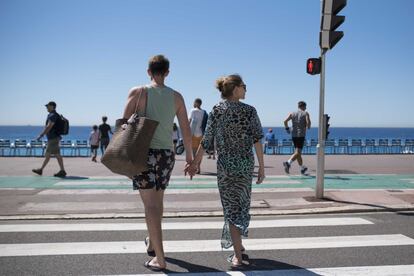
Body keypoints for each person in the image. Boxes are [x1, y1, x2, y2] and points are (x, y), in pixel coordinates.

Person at [123, 55, 193, 271]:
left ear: (148, 71)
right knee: (158, 201)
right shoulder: (177, 97)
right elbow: (185, 130)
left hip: (144, 152)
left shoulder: (138, 92)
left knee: (150, 205)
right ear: (167, 72)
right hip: (166, 154)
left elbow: (123, 124)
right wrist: (190, 157)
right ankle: (152, 242)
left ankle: (160, 258)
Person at [188, 74, 265, 269]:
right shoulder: (249, 111)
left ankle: (237, 253)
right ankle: (238, 252)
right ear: (236, 88)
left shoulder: (218, 110)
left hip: (225, 166)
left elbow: (207, 140)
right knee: (242, 205)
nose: (246, 89)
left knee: (231, 208)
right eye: (244, 86)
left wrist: (195, 163)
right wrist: (262, 167)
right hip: (245, 165)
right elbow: (257, 139)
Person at [32, 101, 67, 178]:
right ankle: (42, 170)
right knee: (51, 155)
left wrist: (41, 135)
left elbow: (49, 126)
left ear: (52, 106)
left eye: (48, 106)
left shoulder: (53, 115)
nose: (46, 107)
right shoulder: (53, 115)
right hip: (54, 138)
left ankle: (61, 171)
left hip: (53, 138)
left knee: (54, 154)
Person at [283, 101, 311, 175]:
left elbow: (285, 121)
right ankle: (288, 163)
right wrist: (308, 124)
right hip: (301, 135)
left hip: (294, 135)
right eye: (305, 106)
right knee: (298, 152)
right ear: (303, 106)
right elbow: (308, 125)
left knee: (298, 153)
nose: (306, 108)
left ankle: (302, 168)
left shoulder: (292, 113)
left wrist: (287, 129)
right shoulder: (305, 113)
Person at [189, 98, 208, 173]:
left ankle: (195, 166)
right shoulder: (204, 112)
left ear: (196, 103)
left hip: (193, 134)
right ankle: (199, 167)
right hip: (201, 133)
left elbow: (189, 121)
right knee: (200, 151)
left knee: (194, 151)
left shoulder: (193, 111)